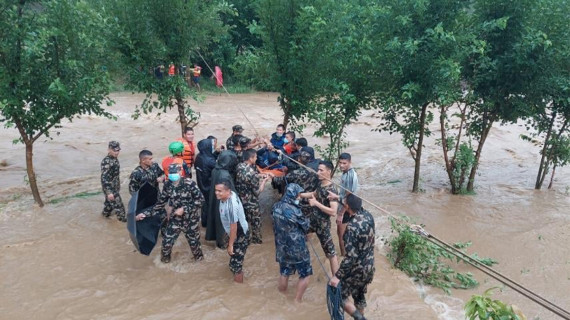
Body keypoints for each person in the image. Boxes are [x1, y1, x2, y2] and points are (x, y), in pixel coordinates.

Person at [136, 163, 205, 263]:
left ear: (180, 172)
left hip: (190, 221)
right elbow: (160, 204)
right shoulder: (167, 185)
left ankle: (200, 266)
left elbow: (201, 201)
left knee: (196, 248)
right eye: (171, 173)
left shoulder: (189, 184)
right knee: (166, 245)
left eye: (175, 172)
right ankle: (165, 265)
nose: (173, 175)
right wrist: (145, 214)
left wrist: (184, 209)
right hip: (175, 220)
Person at [329, 194, 375, 320]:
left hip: (357, 270)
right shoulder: (368, 216)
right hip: (369, 267)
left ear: (347, 207)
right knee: (359, 295)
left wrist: (337, 277)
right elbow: (353, 203)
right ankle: (360, 316)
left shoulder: (351, 227)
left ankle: (361, 319)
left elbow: (351, 257)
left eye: (344, 204)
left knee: (339, 293)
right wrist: (337, 198)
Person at [272, 183, 312, 302]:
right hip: (297, 248)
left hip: (282, 247)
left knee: (284, 272)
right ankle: (297, 300)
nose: (299, 197)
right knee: (305, 274)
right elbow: (306, 226)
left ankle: (281, 297)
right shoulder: (295, 210)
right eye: (298, 194)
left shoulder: (275, 206)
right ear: (294, 194)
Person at [300, 160, 339, 275]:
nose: (318, 172)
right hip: (313, 221)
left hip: (323, 226)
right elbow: (314, 194)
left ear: (329, 172)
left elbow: (333, 212)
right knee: (299, 235)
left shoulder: (332, 190)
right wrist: (299, 195)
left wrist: (316, 204)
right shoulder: (321, 184)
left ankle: (336, 280)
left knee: (331, 253)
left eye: (321, 170)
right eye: (318, 170)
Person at [214, 180, 250, 283]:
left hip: (240, 234)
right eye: (216, 190)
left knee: (236, 266)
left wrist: (231, 245)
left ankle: (238, 289)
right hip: (234, 231)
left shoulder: (231, 206)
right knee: (234, 259)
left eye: (220, 191)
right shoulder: (227, 196)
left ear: (228, 191)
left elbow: (233, 227)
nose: (217, 193)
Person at [236, 149, 272, 244]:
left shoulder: (239, 166)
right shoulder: (252, 174)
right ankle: (256, 241)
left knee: (244, 222)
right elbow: (257, 192)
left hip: (241, 200)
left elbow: (249, 176)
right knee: (256, 223)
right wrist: (264, 181)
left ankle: (245, 239)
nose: (256, 159)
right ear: (251, 158)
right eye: (255, 157)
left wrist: (260, 175)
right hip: (251, 203)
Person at [328, 153, 359, 256]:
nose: (341, 165)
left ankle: (344, 257)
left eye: (344, 163)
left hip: (346, 209)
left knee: (341, 235)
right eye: (340, 163)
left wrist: (341, 213)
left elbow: (348, 197)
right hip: (345, 207)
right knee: (344, 233)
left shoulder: (350, 175)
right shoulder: (345, 173)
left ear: (350, 162)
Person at [206, 150, 238, 248]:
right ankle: (225, 244)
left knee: (218, 219)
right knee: (224, 224)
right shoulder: (225, 174)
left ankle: (220, 241)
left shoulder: (216, 169)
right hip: (224, 202)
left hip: (216, 199)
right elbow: (231, 192)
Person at [100, 141, 126, 222]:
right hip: (110, 189)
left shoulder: (114, 159)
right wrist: (109, 192)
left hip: (114, 187)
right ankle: (122, 223)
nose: (117, 152)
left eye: (118, 150)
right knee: (120, 208)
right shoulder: (106, 162)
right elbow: (104, 178)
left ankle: (102, 218)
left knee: (109, 205)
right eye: (115, 151)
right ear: (109, 150)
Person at [195, 138, 217, 226]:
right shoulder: (209, 160)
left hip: (201, 183)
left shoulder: (199, 156)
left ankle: (204, 222)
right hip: (209, 185)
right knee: (210, 204)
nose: (213, 146)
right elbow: (218, 166)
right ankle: (209, 223)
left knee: (204, 204)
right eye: (211, 145)